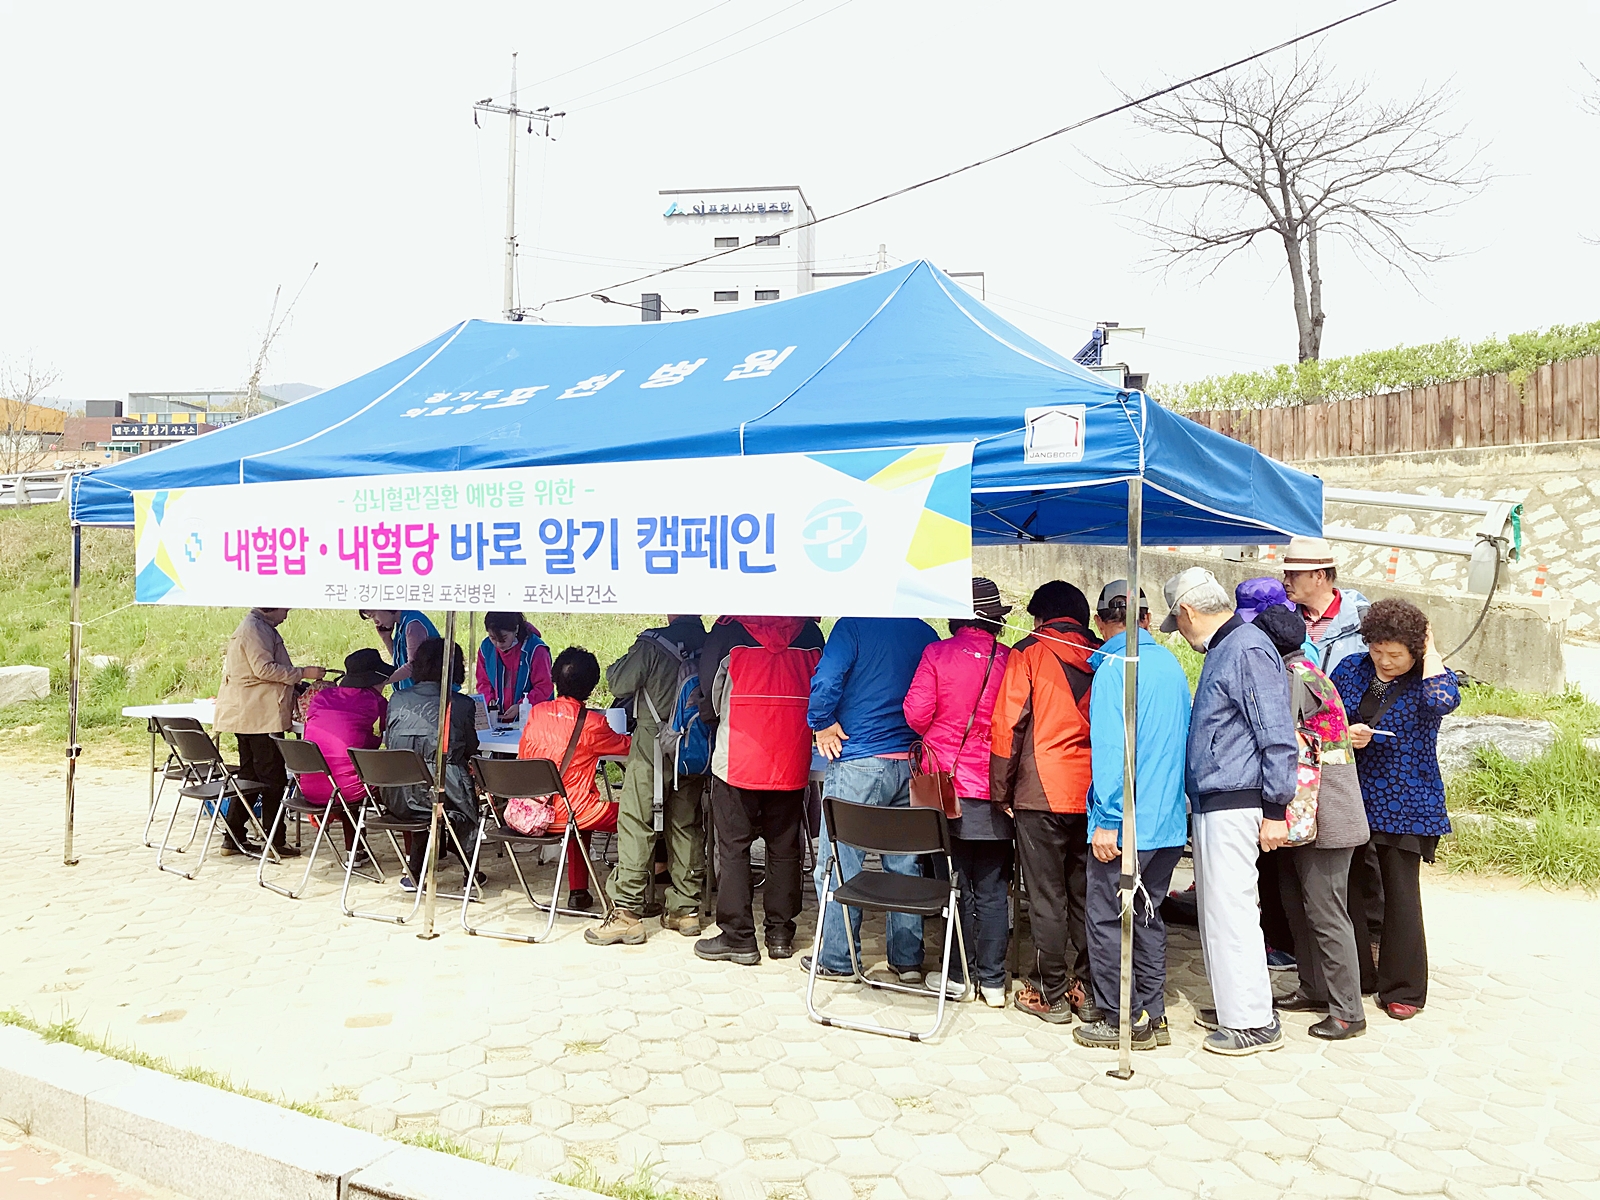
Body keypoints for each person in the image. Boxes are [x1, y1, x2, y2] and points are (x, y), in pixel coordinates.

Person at [1163, 566, 1295, 1056]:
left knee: (1232, 909)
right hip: (1220, 798)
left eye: (1180, 625)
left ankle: (1253, 1021)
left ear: (1188, 611)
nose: (1184, 636)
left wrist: (1277, 807)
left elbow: (1276, 731)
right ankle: (1239, 1003)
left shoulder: (1245, 648)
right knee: (1219, 910)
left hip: (1235, 799)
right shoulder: (1233, 647)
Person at [1075, 580, 1191, 1051]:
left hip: (1127, 824)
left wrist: (1106, 818)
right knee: (1148, 916)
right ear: (1145, 618)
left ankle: (1119, 1017)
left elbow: (1110, 753)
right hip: (1166, 823)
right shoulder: (1171, 666)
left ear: (1104, 622)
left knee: (1106, 918)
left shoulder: (1112, 669)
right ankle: (1153, 1014)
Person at [1330, 598, 1458, 1021]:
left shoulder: (1431, 678)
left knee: (1401, 896)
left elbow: (1443, 703)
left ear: (1416, 651)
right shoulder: (1352, 668)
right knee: (1350, 887)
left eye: (1396, 655)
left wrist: (1432, 653)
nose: (1384, 662)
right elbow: (1324, 716)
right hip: (1354, 795)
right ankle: (1360, 975)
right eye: (1378, 651)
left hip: (1409, 803)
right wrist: (1346, 733)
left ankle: (1403, 987)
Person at [1253, 605, 1371, 1041]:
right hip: (1312, 812)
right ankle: (1314, 987)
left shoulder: (1292, 678)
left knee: (1327, 912)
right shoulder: (1304, 670)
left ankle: (1348, 1011)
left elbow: (1279, 739)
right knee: (1301, 906)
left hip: (1326, 814)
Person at [805, 614, 940, 984]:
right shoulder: (924, 632)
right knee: (905, 865)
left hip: (857, 760)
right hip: (909, 763)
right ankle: (907, 960)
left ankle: (838, 958)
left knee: (837, 865)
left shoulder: (853, 626)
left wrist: (821, 721)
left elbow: (827, 679)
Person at [990, 580, 1101, 1024]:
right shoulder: (1105, 655)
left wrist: (1002, 791)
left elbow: (1008, 724)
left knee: (1046, 895)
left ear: (1041, 617)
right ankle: (1087, 988)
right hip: (1093, 793)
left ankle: (1050, 991)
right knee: (1086, 893)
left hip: (1041, 791)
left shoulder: (1029, 651)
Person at [903, 579, 1014, 1005]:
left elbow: (916, 714)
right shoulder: (1011, 659)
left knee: (954, 883)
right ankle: (993, 981)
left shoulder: (936, 654)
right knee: (992, 886)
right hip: (997, 790)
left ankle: (958, 977)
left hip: (945, 789)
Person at [695, 616, 823, 966]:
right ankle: (780, 933)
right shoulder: (810, 633)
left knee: (734, 848)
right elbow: (821, 689)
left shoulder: (728, 631)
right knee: (785, 849)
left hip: (739, 755)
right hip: (791, 757)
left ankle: (738, 938)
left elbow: (711, 689)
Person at [588, 615, 710, 946]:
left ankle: (626, 912)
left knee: (635, 822)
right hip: (691, 746)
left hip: (651, 741)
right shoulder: (708, 641)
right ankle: (685, 910)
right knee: (686, 824)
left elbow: (618, 684)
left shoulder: (653, 643)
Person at [517, 647, 631, 911]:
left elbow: (525, 754)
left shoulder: (536, 713)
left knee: (576, 811)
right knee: (639, 815)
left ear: (554, 678)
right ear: (592, 686)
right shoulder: (592, 723)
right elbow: (627, 747)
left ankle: (579, 890)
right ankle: (644, 885)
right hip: (572, 813)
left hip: (533, 811)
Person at [213, 607, 326, 856]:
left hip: (250, 714)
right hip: (258, 717)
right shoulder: (255, 629)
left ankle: (234, 835)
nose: (286, 615)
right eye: (284, 609)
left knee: (251, 775)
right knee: (272, 778)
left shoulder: (256, 627)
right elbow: (263, 669)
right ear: (271, 608)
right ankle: (274, 839)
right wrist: (303, 673)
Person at [383, 637, 479, 890]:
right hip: (442, 796)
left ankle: (415, 871)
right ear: (456, 667)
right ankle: (470, 871)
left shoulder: (397, 700)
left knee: (427, 787)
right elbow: (470, 748)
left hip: (397, 794)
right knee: (454, 785)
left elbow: (389, 741)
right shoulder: (460, 704)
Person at [299, 648, 392, 859]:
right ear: (376, 679)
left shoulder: (322, 697)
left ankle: (355, 850)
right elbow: (393, 730)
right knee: (399, 784)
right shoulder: (375, 702)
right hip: (348, 790)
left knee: (346, 773)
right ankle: (414, 858)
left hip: (311, 786)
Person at [1281, 537, 1370, 675]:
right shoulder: (1283, 621)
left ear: (1319, 576)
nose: (1286, 582)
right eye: (1285, 575)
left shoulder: (1362, 621)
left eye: (1294, 575)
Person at [476, 612, 553, 717]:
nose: (498, 644)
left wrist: (522, 706)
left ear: (516, 629)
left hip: (532, 719)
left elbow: (544, 687)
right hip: (497, 719)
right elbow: (483, 682)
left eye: (503, 638)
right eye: (493, 638)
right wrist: (489, 700)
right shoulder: (486, 648)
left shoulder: (536, 650)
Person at [360, 609, 438, 691]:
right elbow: (400, 660)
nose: (376, 622)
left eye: (373, 616)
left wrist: (381, 682)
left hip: (427, 694)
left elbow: (413, 666)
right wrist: (386, 639)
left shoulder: (413, 625)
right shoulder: (402, 623)